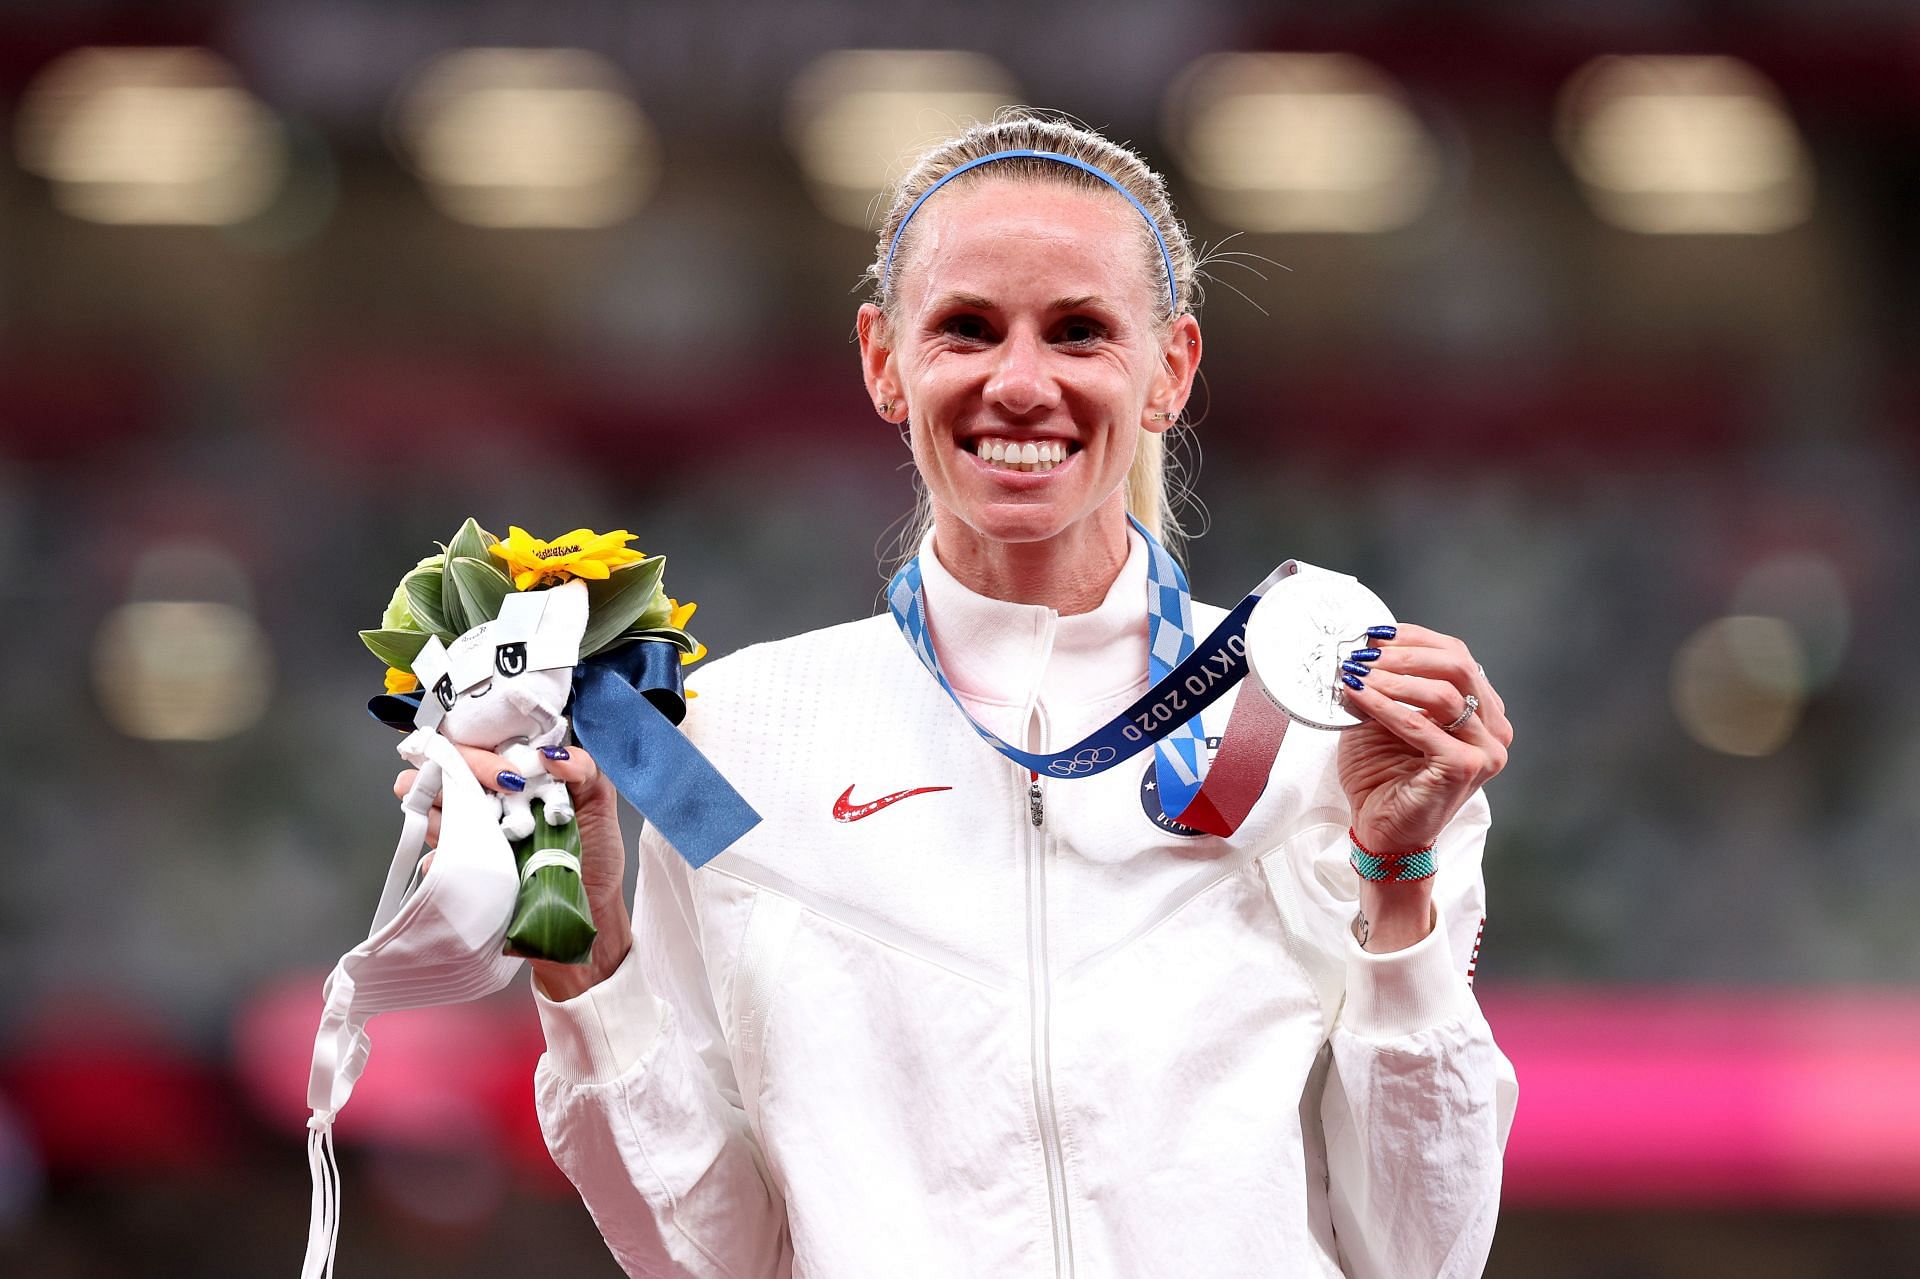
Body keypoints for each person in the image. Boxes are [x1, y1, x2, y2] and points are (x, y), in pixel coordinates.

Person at [398, 110, 1518, 1278]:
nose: (1021, 383)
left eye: (1080, 332)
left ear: (1169, 370)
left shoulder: (1315, 730)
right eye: (968, 329)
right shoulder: (716, 743)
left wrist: (1399, 883)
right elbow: (710, 1255)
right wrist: (579, 949)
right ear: (885, 360)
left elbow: (1420, 1254)